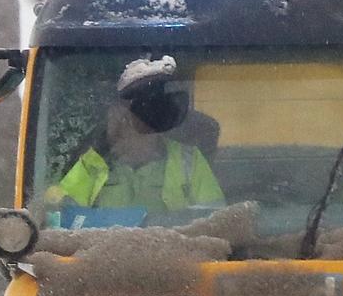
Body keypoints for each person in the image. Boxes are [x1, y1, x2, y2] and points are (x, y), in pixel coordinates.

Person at [44, 57, 223, 221]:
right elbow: (55, 219)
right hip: (100, 255)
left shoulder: (189, 161)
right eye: (121, 113)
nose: (123, 124)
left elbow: (217, 223)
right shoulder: (92, 164)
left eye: (148, 111)